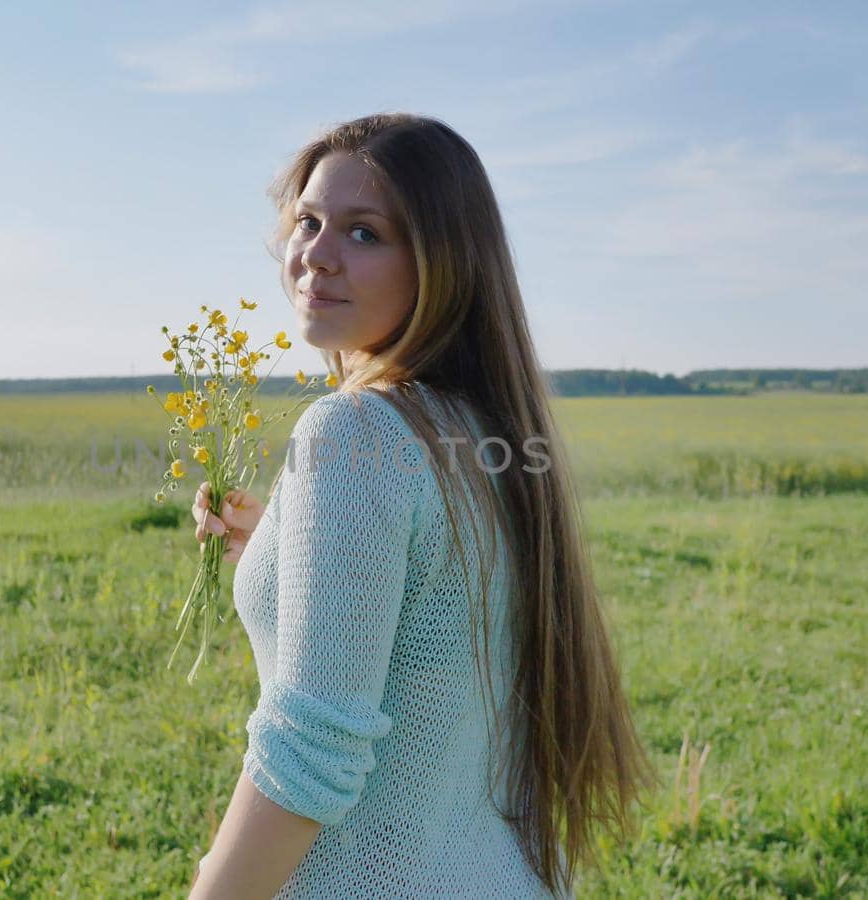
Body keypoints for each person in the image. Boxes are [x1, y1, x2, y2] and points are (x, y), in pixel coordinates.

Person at [187, 112, 656, 899]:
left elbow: (310, 752)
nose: (316, 258)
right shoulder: (486, 431)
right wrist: (285, 546)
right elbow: (430, 620)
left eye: (365, 233)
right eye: (308, 221)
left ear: (442, 264)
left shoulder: (354, 431)